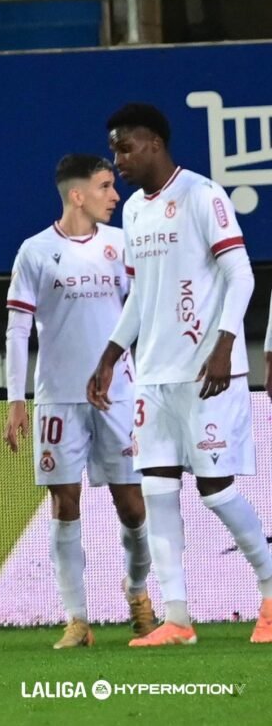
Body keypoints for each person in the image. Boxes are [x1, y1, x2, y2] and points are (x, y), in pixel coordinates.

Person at [88, 103, 272, 646]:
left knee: (216, 490)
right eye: (115, 149)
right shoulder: (135, 214)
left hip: (208, 372)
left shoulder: (202, 195)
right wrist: (110, 355)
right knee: (158, 492)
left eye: (125, 148)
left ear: (154, 144)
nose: (118, 160)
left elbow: (240, 274)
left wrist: (224, 343)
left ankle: (270, 591)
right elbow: (141, 295)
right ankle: (178, 618)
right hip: (154, 377)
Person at [4, 153, 155, 648]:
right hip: (58, 400)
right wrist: (15, 398)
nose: (115, 195)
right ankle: (77, 618)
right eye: (106, 186)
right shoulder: (35, 251)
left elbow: (144, 315)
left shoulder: (122, 245)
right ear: (77, 195)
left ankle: (137, 594)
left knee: (132, 506)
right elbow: (18, 327)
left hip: (118, 397)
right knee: (64, 504)